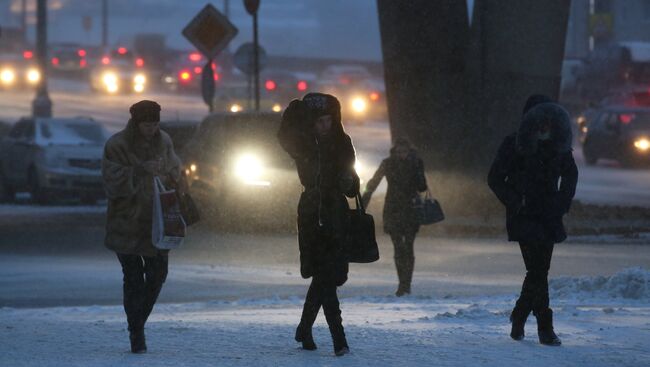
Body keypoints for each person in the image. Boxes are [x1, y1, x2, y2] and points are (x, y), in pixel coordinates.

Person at [488, 95, 578, 346]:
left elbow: (571, 175)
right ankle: (545, 327)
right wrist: (518, 202)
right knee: (538, 270)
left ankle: (519, 315)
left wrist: (561, 203)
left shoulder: (559, 146)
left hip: (548, 216)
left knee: (538, 270)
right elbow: (495, 178)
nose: (545, 124)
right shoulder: (513, 144)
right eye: (541, 119)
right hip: (524, 216)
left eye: (549, 119)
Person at [277, 93, 360, 357]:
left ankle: (304, 328)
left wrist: (350, 183)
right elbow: (284, 136)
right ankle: (339, 339)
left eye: (328, 120)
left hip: (336, 211)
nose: (325, 126)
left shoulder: (342, 141)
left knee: (328, 276)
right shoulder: (304, 144)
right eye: (319, 121)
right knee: (323, 273)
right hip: (313, 211)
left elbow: (353, 179)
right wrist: (295, 111)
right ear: (310, 123)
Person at [102, 100, 182, 353]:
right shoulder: (117, 145)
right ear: (136, 123)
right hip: (127, 222)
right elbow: (111, 180)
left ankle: (136, 324)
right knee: (133, 278)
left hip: (158, 222)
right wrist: (139, 170)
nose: (152, 129)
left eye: (156, 124)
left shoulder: (164, 141)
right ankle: (137, 333)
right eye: (147, 124)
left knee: (158, 275)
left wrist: (169, 175)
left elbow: (176, 170)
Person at [361, 137, 427, 296]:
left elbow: (422, 186)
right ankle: (402, 285)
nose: (401, 154)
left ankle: (406, 284)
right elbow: (373, 183)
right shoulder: (388, 163)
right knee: (398, 247)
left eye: (404, 152)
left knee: (408, 247)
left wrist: (417, 169)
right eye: (399, 152)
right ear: (394, 151)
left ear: (409, 151)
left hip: (410, 209)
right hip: (394, 209)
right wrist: (362, 205)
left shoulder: (416, 163)